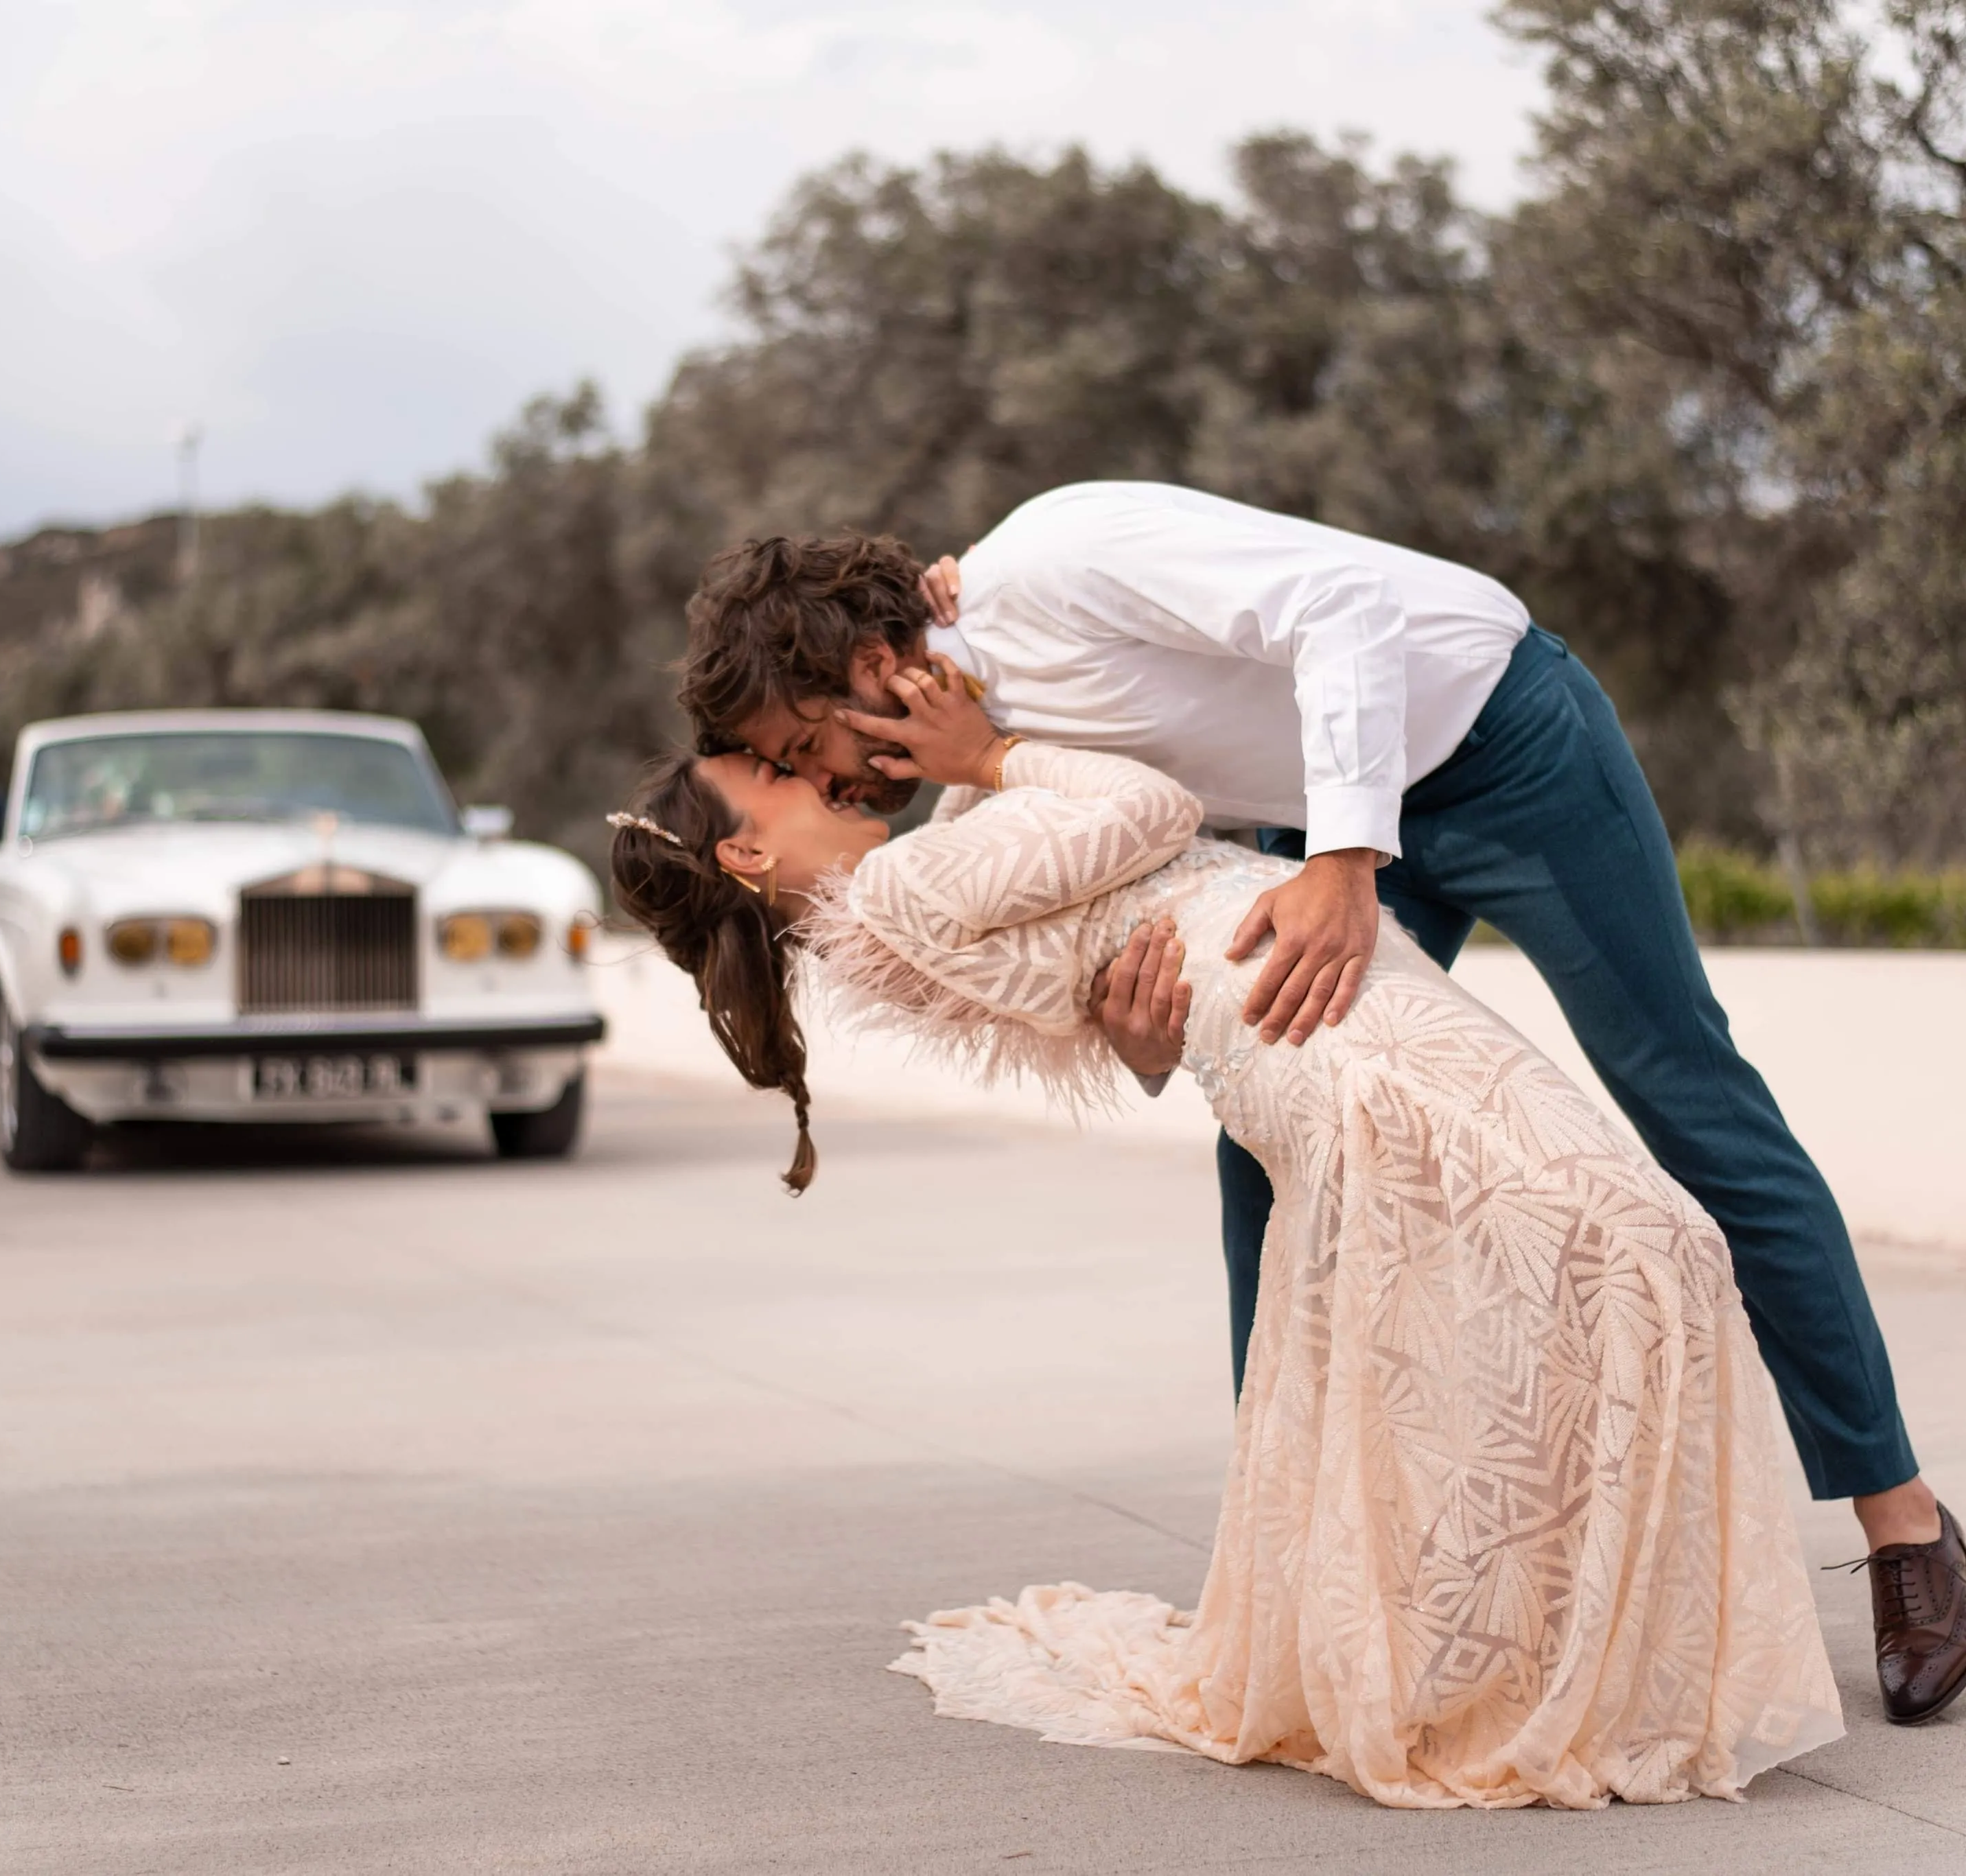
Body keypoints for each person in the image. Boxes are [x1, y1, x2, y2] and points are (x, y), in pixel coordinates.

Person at [675, 491, 1966, 1726]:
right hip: (1325, 822)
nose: (839, 787)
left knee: (1690, 1107)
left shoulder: (1055, 556)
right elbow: (1103, 913)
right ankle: (1304, 1585)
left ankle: (1905, 1528)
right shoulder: (970, 757)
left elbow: (1342, 608)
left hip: (1504, 742)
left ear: (854, 662)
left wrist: (1351, 860)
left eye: (812, 748)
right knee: (1270, 1163)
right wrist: (1137, 1042)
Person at [605, 661, 1844, 1806]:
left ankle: (1524, 1647)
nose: (817, 773)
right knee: (1636, 1240)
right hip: (1325, 1025)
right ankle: (1542, 1658)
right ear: (754, 856)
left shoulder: (902, 898)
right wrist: (988, 752)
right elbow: (1146, 807)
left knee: (1613, 1253)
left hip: (1303, 1007)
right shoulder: (903, 888)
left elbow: (1091, 985)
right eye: (774, 777)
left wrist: (989, 750)